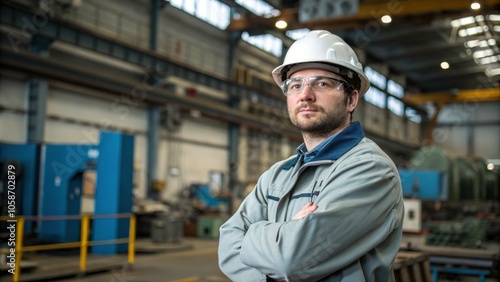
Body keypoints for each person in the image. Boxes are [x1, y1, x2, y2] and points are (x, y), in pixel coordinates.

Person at [218, 30, 404, 281]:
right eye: (295, 85)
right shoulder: (277, 175)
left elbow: (291, 260)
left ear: (351, 99)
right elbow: (227, 246)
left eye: (322, 83)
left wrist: (260, 237)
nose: (305, 95)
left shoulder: (370, 169)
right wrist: (284, 236)